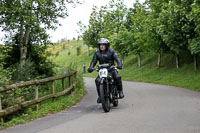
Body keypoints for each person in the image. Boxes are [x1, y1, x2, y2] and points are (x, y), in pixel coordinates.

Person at [87, 38, 124, 103]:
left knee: (117, 77)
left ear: (107, 45)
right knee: (97, 80)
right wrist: (91, 67)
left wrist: (119, 64)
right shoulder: (97, 53)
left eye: (103, 44)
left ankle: (120, 91)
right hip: (102, 70)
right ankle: (100, 96)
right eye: (100, 45)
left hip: (111, 69)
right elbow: (93, 61)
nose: (102, 46)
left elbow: (117, 58)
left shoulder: (111, 51)